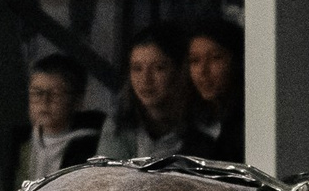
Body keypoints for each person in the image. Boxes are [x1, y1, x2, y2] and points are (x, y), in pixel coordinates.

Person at [96, 23, 197, 160]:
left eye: (158, 68)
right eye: (137, 69)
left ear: (181, 71)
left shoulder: (202, 125)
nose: (145, 79)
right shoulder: (120, 122)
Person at [13, 52, 103, 186]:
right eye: (37, 93)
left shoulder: (92, 148)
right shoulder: (19, 142)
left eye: (55, 94)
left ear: (77, 101)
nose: (44, 101)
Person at [187, 20, 246, 161]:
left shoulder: (247, 123)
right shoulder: (191, 124)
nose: (203, 71)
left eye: (215, 58)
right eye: (195, 60)